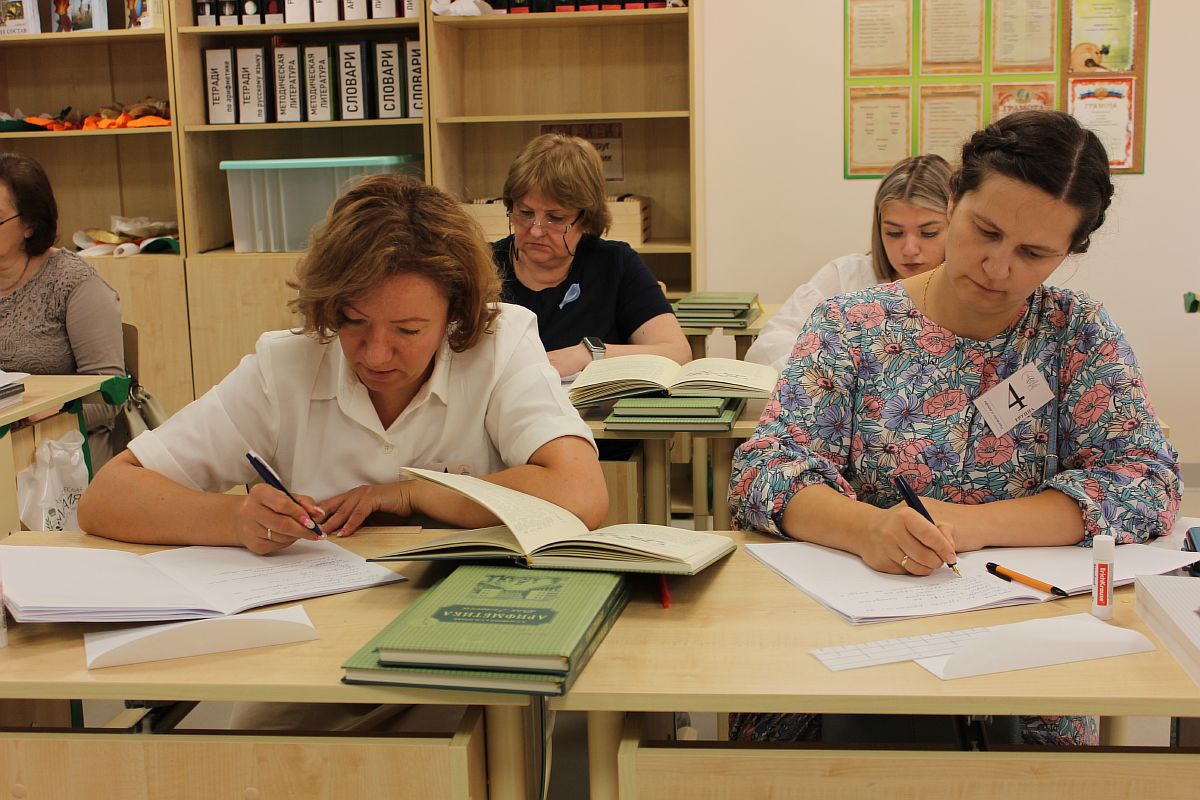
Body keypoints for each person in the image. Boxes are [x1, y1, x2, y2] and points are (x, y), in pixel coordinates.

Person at [728, 111, 1181, 746]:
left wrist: (972, 525)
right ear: (953, 200)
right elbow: (764, 471)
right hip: (849, 635)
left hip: (1029, 649)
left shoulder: (1074, 334)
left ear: (1070, 251)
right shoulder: (853, 326)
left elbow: (1147, 482)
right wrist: (867, 529)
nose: (997, 267)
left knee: (1039, 767)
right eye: (984, 231)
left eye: (1033, 254)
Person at [78, 174, 608, 552]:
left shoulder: (499, 342)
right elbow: (106, 497)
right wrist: (236, 518)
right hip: (313, 637)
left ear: (455, 311)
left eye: (408, 330)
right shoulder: (287, 363)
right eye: (353, 322)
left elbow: (580, 493)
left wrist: (411, 494)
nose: (375, 355)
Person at [492, 133, 691, 378]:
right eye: (525, 213)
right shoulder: (481, 266)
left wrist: (589, 354)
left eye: (556, 218)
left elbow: (678, 353)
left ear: (586, 218)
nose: (536, 230)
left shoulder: (614, 264)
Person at [745, 154, 952, 371]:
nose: (909, 249)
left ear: (955, 225)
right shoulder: (846, 276)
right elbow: (771, 342)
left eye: (928, 233)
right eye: (894, 233)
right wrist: (825, 369)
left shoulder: (967, 288)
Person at [0, 153, 124, 468]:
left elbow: (110, 393)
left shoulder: (71, 281)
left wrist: (55, 409)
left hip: (59, 454)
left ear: (30, 224)